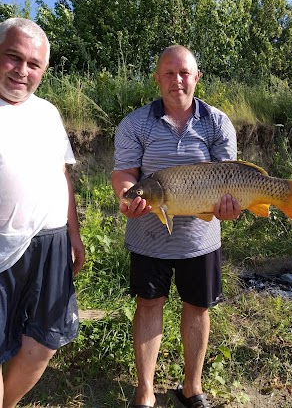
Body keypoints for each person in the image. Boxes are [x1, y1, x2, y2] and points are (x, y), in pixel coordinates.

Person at [112, 44, 240, 408]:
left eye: (184, 73)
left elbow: (229, 176)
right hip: (147, 235)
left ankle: (192, 388)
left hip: (200, 239)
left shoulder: (217, 122)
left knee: (198, 308)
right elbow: (124, 172)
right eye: (168, 73)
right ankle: (145, 392)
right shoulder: (135, 123)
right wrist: (127, 195)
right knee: (149, 304)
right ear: (157, 78)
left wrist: (230, 206)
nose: (177, 80)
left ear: (197, 77)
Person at [0, 17, 85, 408]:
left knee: (44, 341)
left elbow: (62, 175)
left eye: (33, 64)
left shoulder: (48, 112)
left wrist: (74, 233)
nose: (22, 71)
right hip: (3, 248)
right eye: (12, 58)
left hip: (52, 245)